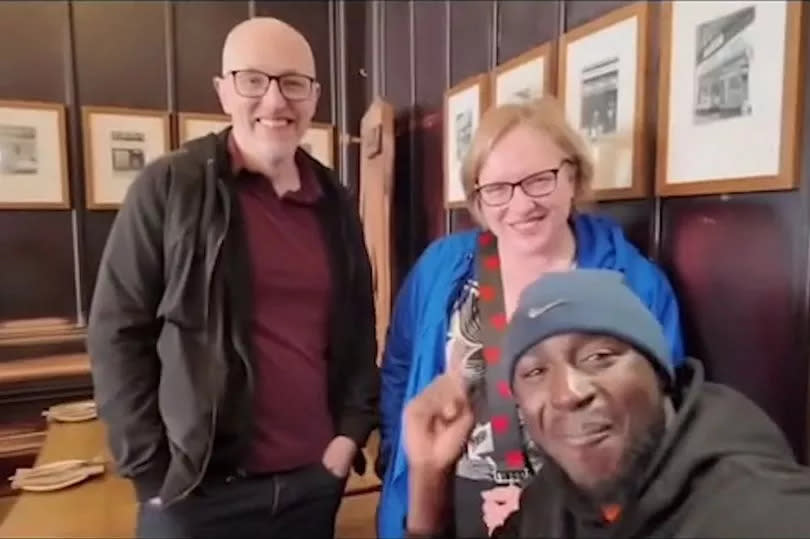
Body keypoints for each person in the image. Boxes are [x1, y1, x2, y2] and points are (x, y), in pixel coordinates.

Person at [87, 17, 378, 538]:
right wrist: (152, 474)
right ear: (224, 92)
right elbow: (116, 333)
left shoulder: (335, 202)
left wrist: (348, 439)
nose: (274, 102)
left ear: (314, 97)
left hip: (312, 486)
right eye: (253, 80)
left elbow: (358, 331)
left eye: (292, 83)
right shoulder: (170, 187)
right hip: (193, 496)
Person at [377, 96, 685, 538]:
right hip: (442, 503)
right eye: (498, 189)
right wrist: (405, 458)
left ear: (573, 176)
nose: (520, 205)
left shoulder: (635, 285)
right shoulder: (442, 267)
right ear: (478, 198)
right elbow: (400, 369)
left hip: (573, 514)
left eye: (539, 180)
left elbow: (658, 418)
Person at [404, 269, 810, 538]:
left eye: (599, 357)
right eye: (535, 373)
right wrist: (428, 474)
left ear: (659, 373)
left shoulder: (760, 511)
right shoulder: (549, 502)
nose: (568, 393)